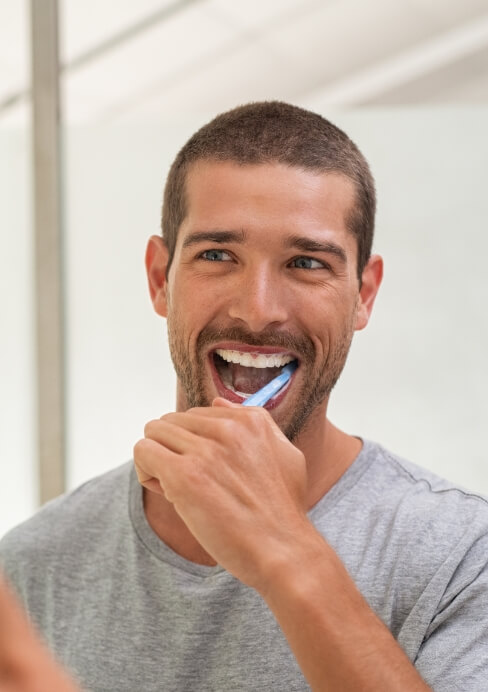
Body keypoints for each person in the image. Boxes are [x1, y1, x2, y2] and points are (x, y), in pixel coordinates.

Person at [1, 101, 487, 692]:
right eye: (217, 256)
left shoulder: (464, 558)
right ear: (160, 279)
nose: (257, 310)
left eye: (306, 263)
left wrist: (285, 551)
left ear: (363, 294)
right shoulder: (31, 565)